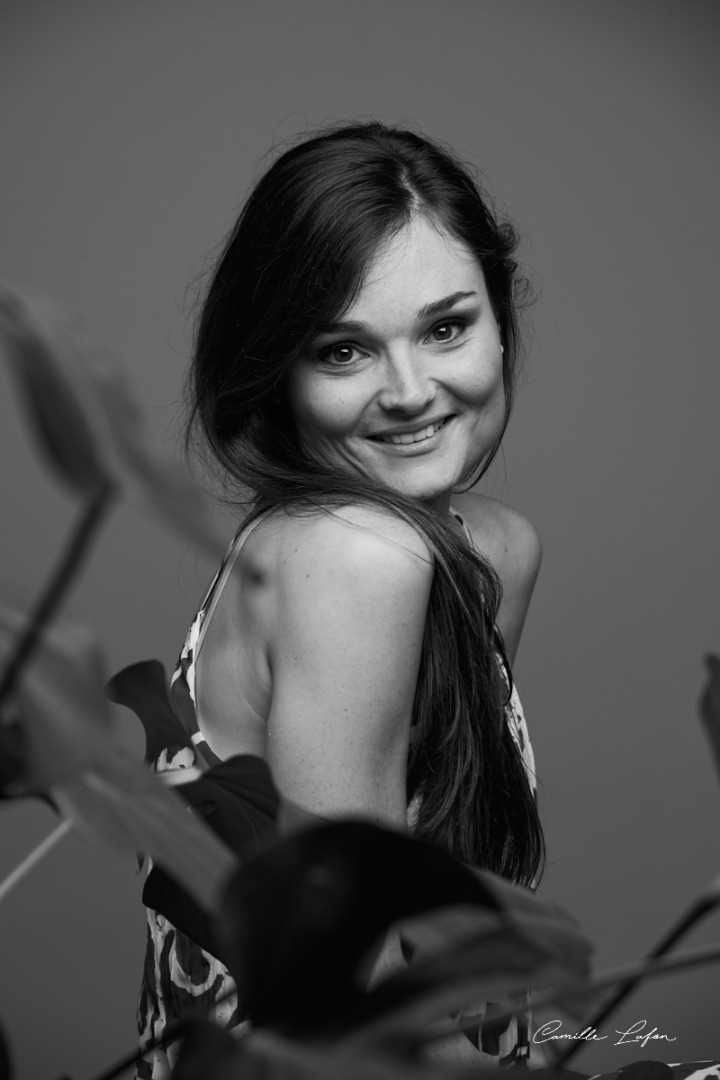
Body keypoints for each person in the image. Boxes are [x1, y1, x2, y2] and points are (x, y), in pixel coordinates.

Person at [137, 121, 545, 1076]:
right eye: (344, 351)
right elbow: (346, 995)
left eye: (445, 328)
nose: (409, 391)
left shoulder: (494, 549)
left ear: (499, 319)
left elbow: (450, 897)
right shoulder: (354, 557)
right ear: (278, 369)